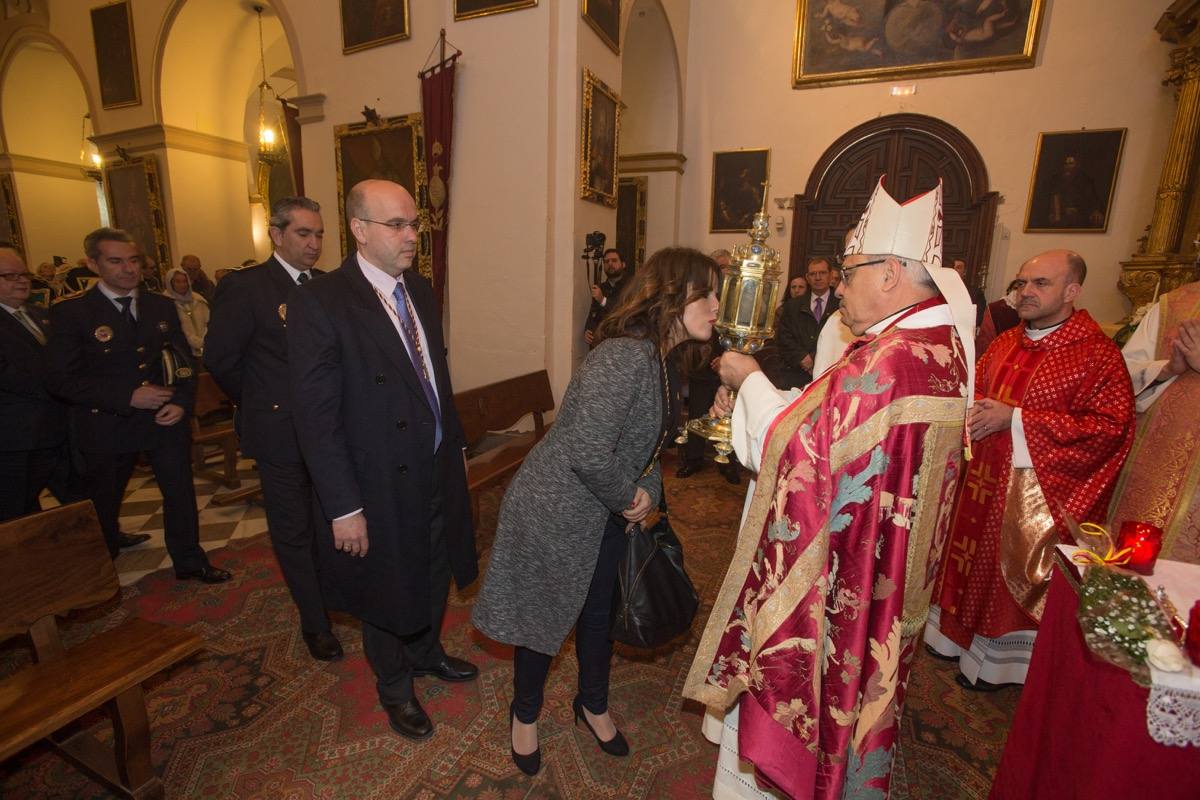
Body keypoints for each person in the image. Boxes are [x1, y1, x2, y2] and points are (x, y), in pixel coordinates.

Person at [683, 177, 976, 800]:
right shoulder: (935, 345)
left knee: (821, 695)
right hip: (882, 571)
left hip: (844, 581)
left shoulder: (891, 359)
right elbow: (843, 427)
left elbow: (804, 455)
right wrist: (777, 396)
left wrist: (749, 380)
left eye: (848, 272)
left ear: (890, 273)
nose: (839, 286)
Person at [473, 246, 720, 776]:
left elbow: (648, 446)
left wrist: (645, 488)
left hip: (602, 507)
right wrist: (631, 498)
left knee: (599, 614)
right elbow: (586, 450)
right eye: (708, 293)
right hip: (556, 507)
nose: (717, 306)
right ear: (673, 296)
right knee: (544, 617)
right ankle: (524, 714)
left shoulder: (661, 358)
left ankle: (593, 704)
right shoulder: (624, 356)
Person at [287, 180, 478, 741]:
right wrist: (343, 507)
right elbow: (315, 418)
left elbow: (437, 379)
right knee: (388, 583)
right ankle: (395, 686)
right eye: (397, 225)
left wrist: (456, 446)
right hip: (375, 477)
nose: (412, 235)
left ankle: (426, 652)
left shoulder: (418, 288)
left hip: (433, 464)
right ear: (359, 230)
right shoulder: (322, 301)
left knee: (435, 564)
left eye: (414, 224)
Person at [926, 249, 1135, 690]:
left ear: (1072, 291)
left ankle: (995, 666)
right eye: (1022, 283)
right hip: (979, 482)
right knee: (963, 558)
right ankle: (948, 639)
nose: (1026, 292)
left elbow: (1110, 428)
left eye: (1041, 283)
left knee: (1003, 575)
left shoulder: (1097, 355)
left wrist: (1017, 420)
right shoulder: (1005, 342)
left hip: (1031, 496)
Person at [45, 227, 231, 582]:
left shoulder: (159, 305)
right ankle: (101, 570)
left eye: (133, 261)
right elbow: (61, 379)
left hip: (163, 418)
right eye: (116, 261)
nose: (128, 269)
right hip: (107, 422)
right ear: (93, 264)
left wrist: (181, 402)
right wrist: (126, 396)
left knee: (180, 493)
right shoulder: (73, 312)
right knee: (104, 499)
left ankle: (190, 560)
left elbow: (183, 362)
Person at [204, 196, 343, 662]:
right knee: (293, 529)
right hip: (279, 430)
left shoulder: (326, 285)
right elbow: (221, 358)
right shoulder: (247, 287)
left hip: (327, 429)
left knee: (331, 519)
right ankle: (315, 622)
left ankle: (336, 596)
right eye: (304, 233)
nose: (314, 243)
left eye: (319, 234)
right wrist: (263, 402)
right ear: (277, 234)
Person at [1110, 280, 1200, 564]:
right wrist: (1166, 369)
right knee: (1127, 565)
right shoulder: (1174, 305)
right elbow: (1121, 374)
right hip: (1154, 461)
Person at [0, 245, 65, 520]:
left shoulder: (40, 314)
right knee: (16, 507)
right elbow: (6, 374)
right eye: (10, 276)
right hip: (16, 434)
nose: (22, 281)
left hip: (58, 425)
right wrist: (62, 388)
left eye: (24, 274)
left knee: (80, 493)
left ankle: (105, 535)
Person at [678, 248, 740, 484]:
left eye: (724, 267)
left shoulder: (736, 299)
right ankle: (693, 460)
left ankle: (728, 464)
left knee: (728, 416)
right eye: (717, 268)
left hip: (728, 370)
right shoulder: (699, 298)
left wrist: (725, 358)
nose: (721, 272)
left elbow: (738, 335)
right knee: (697, 416)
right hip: (702, 369)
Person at [772, 256, 839, 389]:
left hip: (831, 373)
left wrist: (814, 359)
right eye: (813, 274)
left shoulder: (841, 304)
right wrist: (801, 357)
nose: (818, 278)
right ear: (807, 278)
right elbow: (783, 336)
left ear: (831, 275)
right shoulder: (793, 306)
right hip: (795, 374)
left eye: (822, 273)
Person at [583, 247, 628, 347]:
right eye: (606, 261)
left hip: (621, 346)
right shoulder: (601, 288)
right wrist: (587, 330)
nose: (610, 264)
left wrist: (603, 300)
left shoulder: (631, 286)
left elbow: (624, 312)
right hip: (599, 346)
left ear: (623, 264)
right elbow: (593, 313)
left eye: (614, 260)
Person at [163, 268, 209, 357]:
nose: (182, 285)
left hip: (206, 347)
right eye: (178, 282)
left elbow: (209, 322)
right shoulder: (165, 303)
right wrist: (196, 342)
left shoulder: (198, 299)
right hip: (183, 351)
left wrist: (205, 340)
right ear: (170, 283)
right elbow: (176, 329)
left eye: (185, 281)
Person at [976, 278, 1022, 353]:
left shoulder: (1032, 312)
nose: (1016, 292)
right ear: (1009, 291)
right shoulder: (994, 308)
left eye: (1021, 288)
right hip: (995, 352)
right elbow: (984, 340)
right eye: (1015, 288)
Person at [950, 257, 987, 328]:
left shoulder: (975, 293)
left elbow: (978, 318)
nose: (954, 270)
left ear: (964, 272)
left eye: (958, 267)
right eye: (952, 267)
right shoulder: (941, 290)